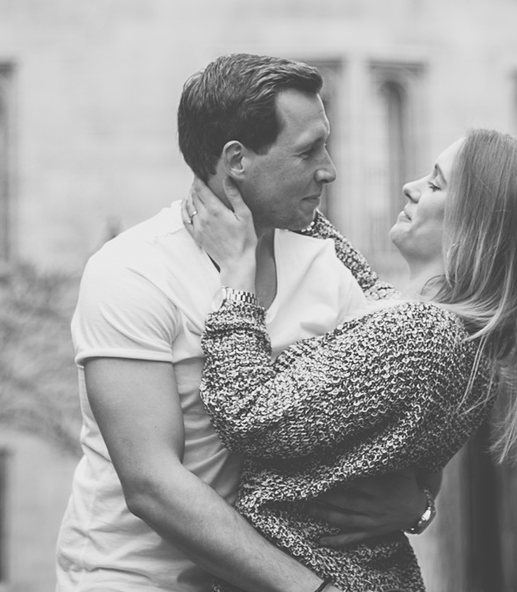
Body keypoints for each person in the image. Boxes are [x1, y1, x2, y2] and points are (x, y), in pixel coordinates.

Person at [58, 55, 432, 592]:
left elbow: (402, 412)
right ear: (237, 160)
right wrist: (312, 589)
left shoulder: (326, 270)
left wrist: (418, 501)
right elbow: (152, 484)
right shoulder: (132, 271)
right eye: (307, 151)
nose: (329, 169)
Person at [187, 128, 517, 592]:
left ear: (476, 227)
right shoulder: (434, 328)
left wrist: (237, 279)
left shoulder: (422, 336)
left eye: (435, 184)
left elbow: (251, 416)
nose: (410, 187)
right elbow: (329, 246)